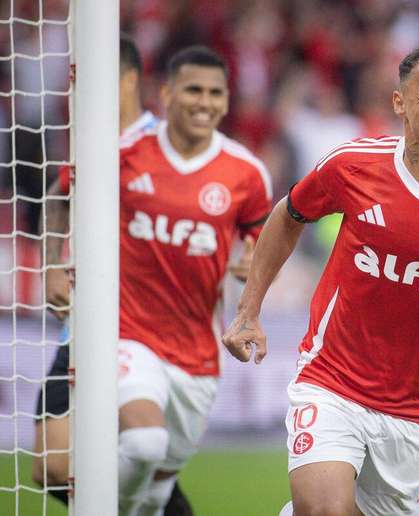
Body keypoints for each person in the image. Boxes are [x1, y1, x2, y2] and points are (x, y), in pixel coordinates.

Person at [222, 42, 419, 516]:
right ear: (400, 103)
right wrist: (249, 310)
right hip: (332, 380)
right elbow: (288, 215)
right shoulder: (353, 164)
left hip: (418, 408)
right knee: (325, 510)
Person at [37, 43, 273, 515]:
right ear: (166, 94)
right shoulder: (124, 151)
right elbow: (60, 195)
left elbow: (263, 242)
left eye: (214, 93)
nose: (203, 102)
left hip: (197, 355)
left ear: (227, 100)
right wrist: (51, 266)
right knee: (144, 443)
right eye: (192, 90)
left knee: (158, 493)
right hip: (127, 334)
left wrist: (252, 270)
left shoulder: (246, 173)